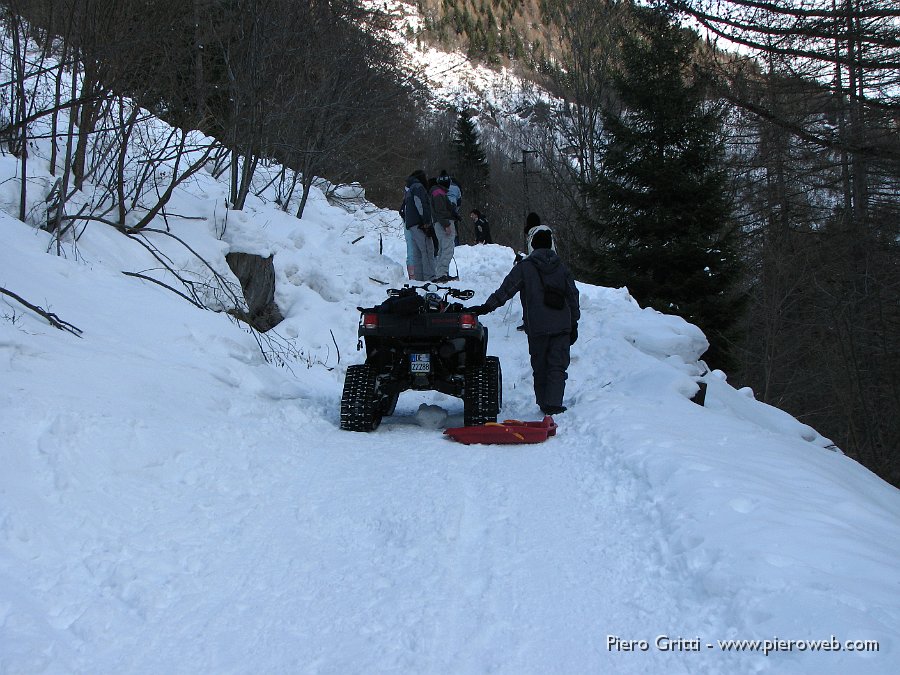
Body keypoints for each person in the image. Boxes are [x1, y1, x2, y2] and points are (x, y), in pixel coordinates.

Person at [471, 226, 579, 415]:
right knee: (557, 365)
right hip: (562, 325)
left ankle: (544, 402)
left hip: (537, 326)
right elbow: (573, 295)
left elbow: (505, 290)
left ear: (533, 246)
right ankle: (553, 403)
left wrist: (486, 307)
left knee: (540, 365)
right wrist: (574, 322)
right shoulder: (561, 267)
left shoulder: (525, 268)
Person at [399, 170, 436, 281]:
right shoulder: (418, 187)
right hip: (419, 224)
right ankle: (430, 277)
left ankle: (419, 279)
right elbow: (420, 204)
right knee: (427, 250)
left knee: (417, 253)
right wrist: (426, 222)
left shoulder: (409, 189)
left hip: (411, 224)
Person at [429, 177, 457, 282]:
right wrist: (446, 225)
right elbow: (440, 211)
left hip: (439, 223)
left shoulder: (436, 192)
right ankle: (442, 274)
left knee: (443, 249)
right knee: (447, 249)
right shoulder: (438, 193)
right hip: (444, 223)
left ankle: (441, 273)